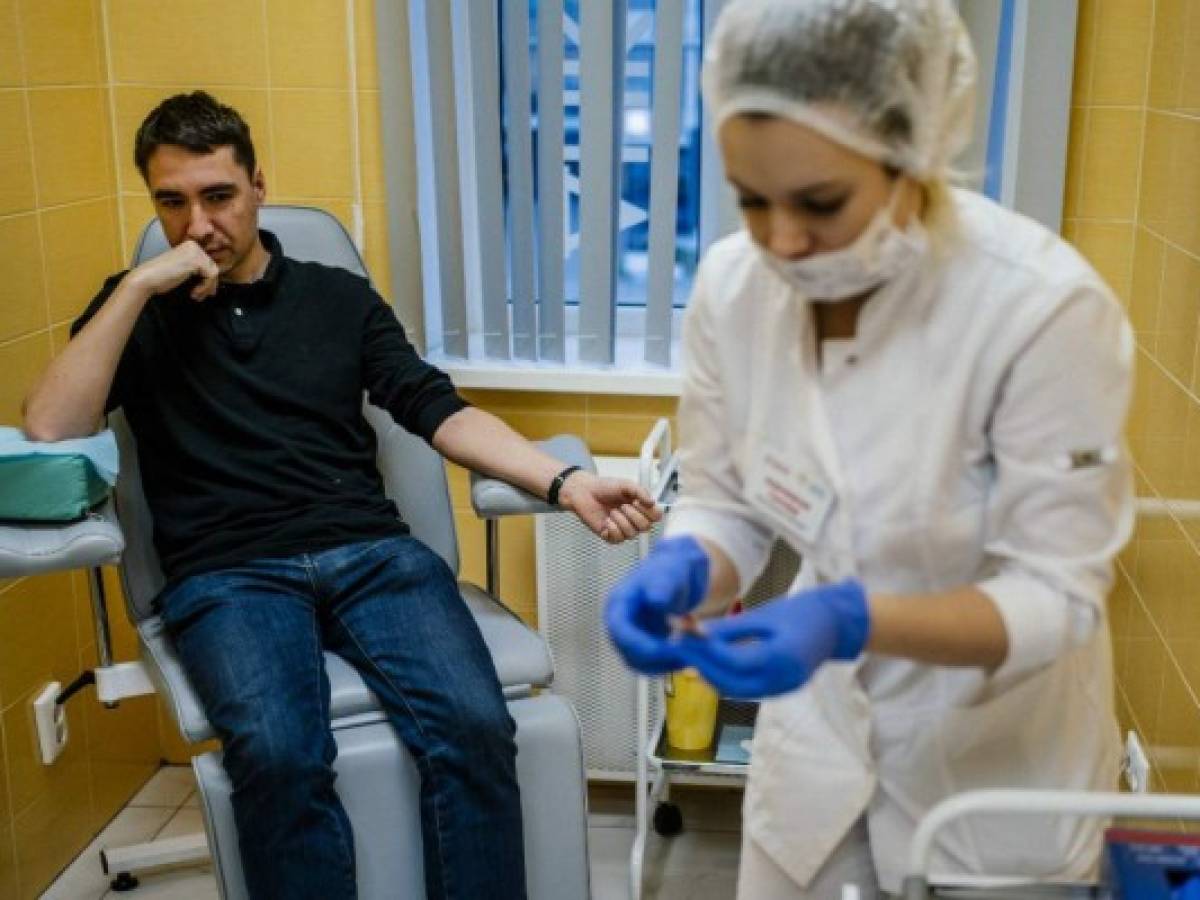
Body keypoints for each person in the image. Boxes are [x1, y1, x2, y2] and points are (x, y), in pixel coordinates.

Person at [22, 91, 660, 900]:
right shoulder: (137, 309)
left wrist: (564, 482)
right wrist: (137, 286)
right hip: (228, 573)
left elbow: (439, 410)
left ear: (257, 184)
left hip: (369, 552)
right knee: (281, 754)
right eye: (171, 203)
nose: (198, 224)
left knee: (471, 727)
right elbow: (50, 424)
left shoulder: (338, 299)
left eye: (218, 196)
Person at [605, 1, 1132, 897]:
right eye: (751, 199)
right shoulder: (735, 291)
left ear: (912, 151)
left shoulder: (1039, 309)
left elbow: (1058, 597)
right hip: (819, 757)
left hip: (994, 776)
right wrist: (690, 563)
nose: (781, 239)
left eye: (820, 202)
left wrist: (853, 620)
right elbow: (729, 499)